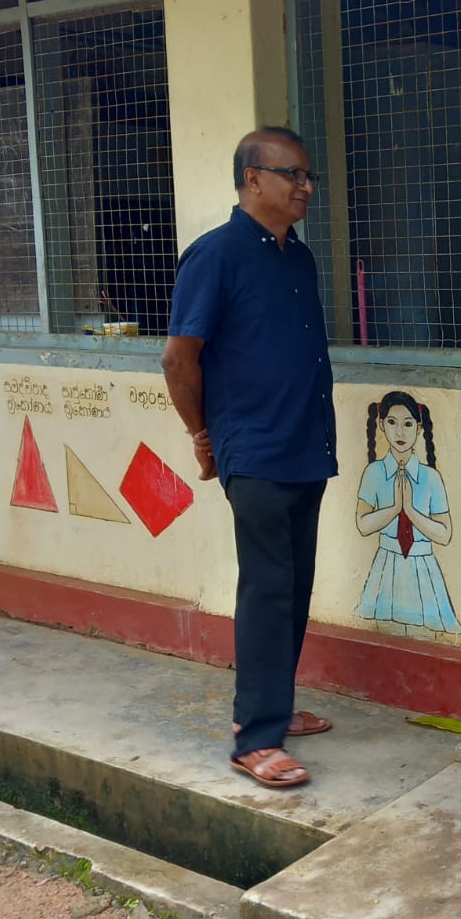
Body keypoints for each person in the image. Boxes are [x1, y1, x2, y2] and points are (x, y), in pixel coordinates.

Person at [161, 128, 337, 790]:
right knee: (267, 587)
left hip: (306, 444)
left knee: (294, 584)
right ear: (253, 178)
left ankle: (275, 706)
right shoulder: (216, 255)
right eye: (293, 174)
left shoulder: (300, 259)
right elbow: (179, 358)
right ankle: (254, 739)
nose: (306, 187)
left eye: (309, 175)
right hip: (256, 449)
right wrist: (201, 434)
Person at [354, 390, 461, 639]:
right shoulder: (374, 472)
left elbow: (444, 534)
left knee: (428, 634)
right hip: (386, 565)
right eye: (392, 422)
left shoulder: (431, 478)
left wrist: (411, 511)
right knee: (383, 635)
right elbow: (362, 524)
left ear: (419, 428)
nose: (400, 433)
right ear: (381, 425)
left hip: (423, 568)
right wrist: (395, 508)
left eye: (408, 424)